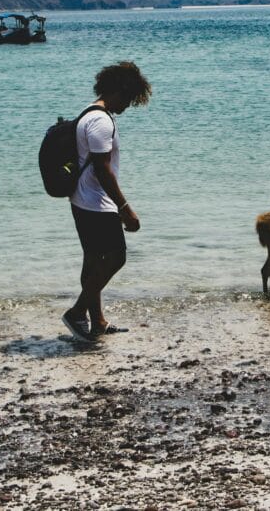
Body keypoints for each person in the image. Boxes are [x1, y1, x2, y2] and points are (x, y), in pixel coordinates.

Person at [62, 61, 151, 342]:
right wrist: (125, 209)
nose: (128, 105)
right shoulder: (101, 121)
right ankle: (77, 312)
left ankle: (97, 321)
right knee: (116, 257)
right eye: (129, 98)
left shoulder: (88, 113)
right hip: (97, 203)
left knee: (93, 261)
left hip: (81, 199)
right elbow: (103, 170)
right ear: (118, 91)